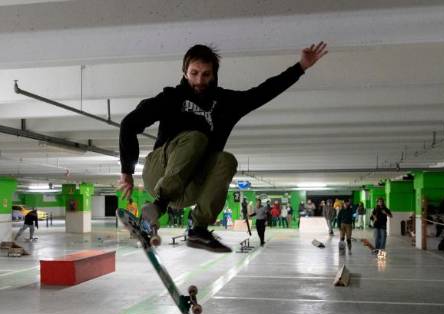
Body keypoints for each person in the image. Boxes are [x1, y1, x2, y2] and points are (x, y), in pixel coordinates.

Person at [118, 42, 329, 252]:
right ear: (184, 72)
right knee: (196, 138)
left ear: (214, 75)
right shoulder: (171, 98)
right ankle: (158, 205)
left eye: (206, 74)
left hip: (189, 187)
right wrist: (127, 170)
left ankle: (197, 229)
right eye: (194, 73)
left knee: (226, 160)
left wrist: (300, 66)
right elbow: (129, 124)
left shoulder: (227, 103)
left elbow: (264, 92)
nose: (199, 80)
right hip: (159, 174)